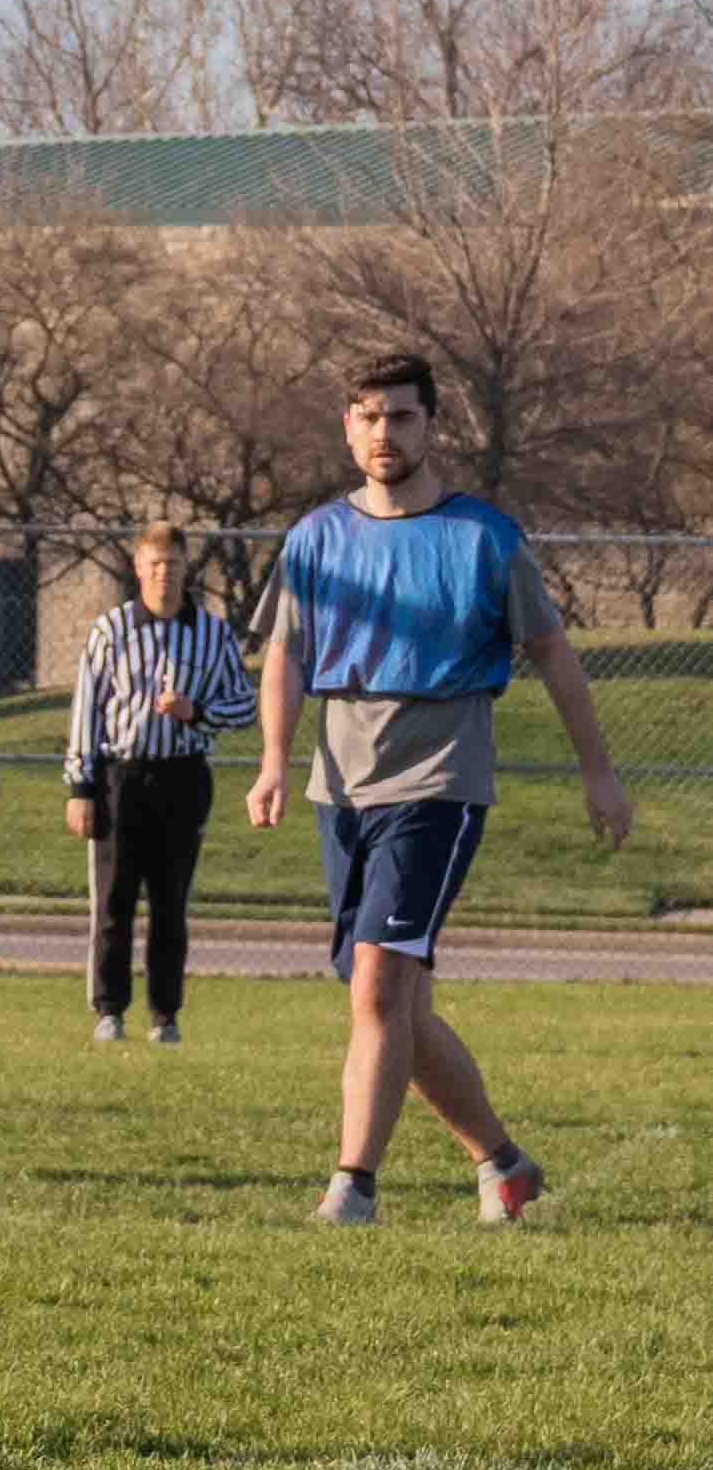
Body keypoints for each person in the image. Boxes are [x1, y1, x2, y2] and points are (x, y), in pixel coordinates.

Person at [244, 351, 630, 1227]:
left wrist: (598, 771)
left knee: (378, 986)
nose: (385, 432)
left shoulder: (484, 537)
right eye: (369, 415)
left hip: (439, 779)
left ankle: (352, 1186)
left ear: (431, 426)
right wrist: (272, 759)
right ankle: (502, 1163)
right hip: (337, 786)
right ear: (347, 427)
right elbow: (286, 654)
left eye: (403, 416)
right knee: (393, 1004)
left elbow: (554, 657)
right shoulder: (312, 539)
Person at [61, 522, 253, 1044]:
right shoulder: (111, 631)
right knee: (114, 902)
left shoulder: (212, 634)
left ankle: (165, 1015)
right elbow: (86, 710)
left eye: (173, 566)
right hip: (121, 775)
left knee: (171, 903)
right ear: (138, 569)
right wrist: (81, 787)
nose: (164, 576)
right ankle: (109, 1010)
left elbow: (245, 705)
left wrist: (197, 713)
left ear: (185, 570)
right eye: (155, 566)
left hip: (183, 776)